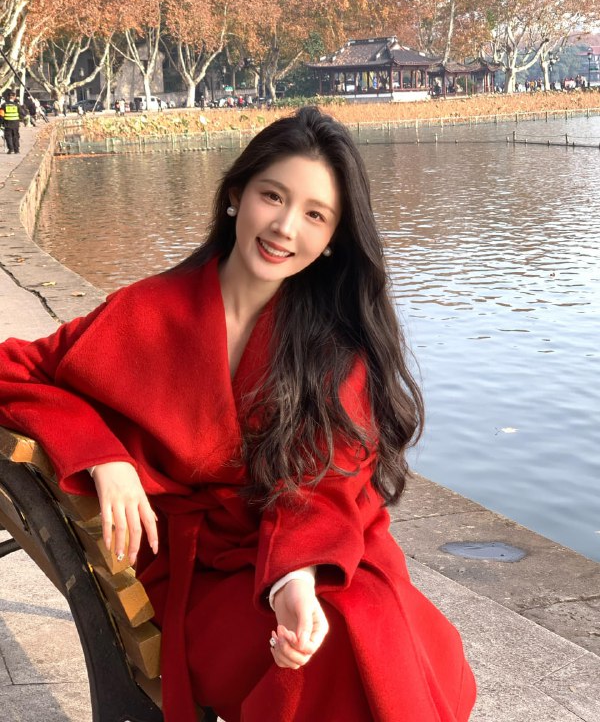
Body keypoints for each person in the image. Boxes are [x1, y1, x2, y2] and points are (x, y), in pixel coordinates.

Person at [0, 107, 475, 722]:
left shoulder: (335, 349)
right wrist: (101, 455)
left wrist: (293, 580)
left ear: (334, 238)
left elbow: (325, 486)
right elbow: (14, 368)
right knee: (341, 648)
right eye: (272, 196)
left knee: (361, 624)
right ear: (235, 196)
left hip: (317, 553)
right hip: (200, 579)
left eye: (315, 215)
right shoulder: (148, 311)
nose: (284, 227)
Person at [0, 89, 25, 154]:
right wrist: (21, 120)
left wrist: (0, 123)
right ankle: (17, 150)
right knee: (15, 136)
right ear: (14, 97)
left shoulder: (3, 105)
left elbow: (1, 116)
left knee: (8, 137)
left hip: (7, 124)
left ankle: (11, 149)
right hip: (15, 124)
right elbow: (22, 114)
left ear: (8, 97)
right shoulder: (17, 105)